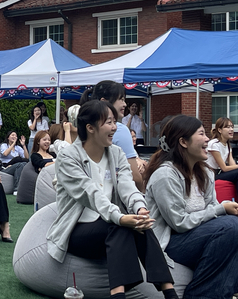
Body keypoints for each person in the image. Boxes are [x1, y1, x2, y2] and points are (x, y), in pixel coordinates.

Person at [47, 100, 177, 299]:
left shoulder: (116, 153)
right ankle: (118, 295)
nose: (115, 127)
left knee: (140, 224)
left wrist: (140, 208)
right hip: (77, 229)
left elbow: (127, 187)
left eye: (115, 122)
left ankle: (169, 293)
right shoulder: (68, 157)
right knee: (119, 226)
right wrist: (120, 217)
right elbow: (90, 194)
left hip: (109, 224)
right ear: (90, 128)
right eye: (108, 122)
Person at [144, 115, 238, 299]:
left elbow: (212, 207)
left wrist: (223, 210)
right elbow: (178, 223)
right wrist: (222, 209)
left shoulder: (204, 173)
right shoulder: (165, 175)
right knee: (230, 227)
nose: (207, 139)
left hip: (197, 236)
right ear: (183, 142)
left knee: (233, 226)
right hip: (171, 241)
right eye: (202, 133)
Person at [81, 80, 144, 192]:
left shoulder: (82, 125)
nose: (125, 104)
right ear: (104, 102)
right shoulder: (120, 130)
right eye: (121, 99)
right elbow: (134, 177)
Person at [205, 117, 238, 186]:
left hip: (218, 173)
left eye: (232, 127)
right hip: (210, 175)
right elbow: (224, 168)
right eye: (228, 127)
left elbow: (233, 166)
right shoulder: (214, 144)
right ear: (220, 130)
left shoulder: (228, 145)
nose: (231, 129)